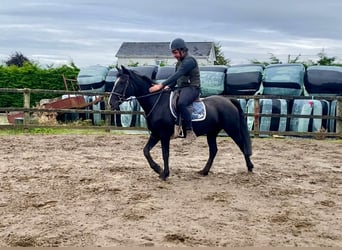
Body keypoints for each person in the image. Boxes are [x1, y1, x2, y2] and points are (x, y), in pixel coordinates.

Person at [149, 38, 201, 144]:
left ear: (182, 50)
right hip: (181, 89)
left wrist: (161, 85)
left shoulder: (190, 61)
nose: (174, 55)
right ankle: (175, 129)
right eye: (173, 53)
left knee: (182, 103)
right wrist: (167, 87)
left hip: (193, 88)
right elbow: (177, 79)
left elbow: (178, 74)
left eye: (175, 52)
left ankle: (190, 132)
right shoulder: (179, 63)